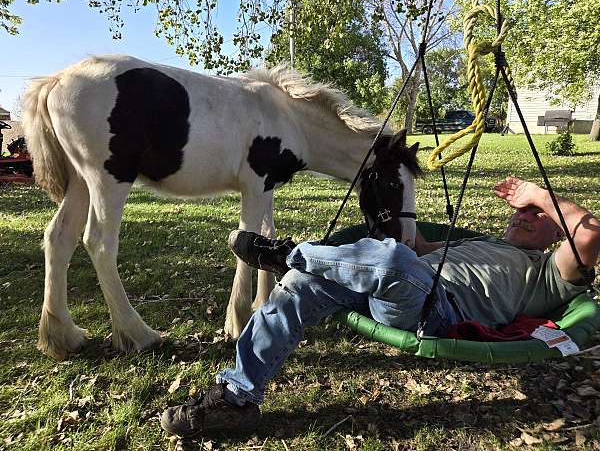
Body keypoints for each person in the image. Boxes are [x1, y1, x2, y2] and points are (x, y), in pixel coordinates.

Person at [160, 176, 600, 438]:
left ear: (554, 232)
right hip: (391, 286)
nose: (524, 215)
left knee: (393, 262)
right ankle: (236, 396)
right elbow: (414, 243)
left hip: (435, 312)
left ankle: (288, 253)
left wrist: (538, 192)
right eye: (521, 210)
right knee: (300, 285)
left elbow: (590, 234)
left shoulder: (549, 270)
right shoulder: (474, 242)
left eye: (538, 215)